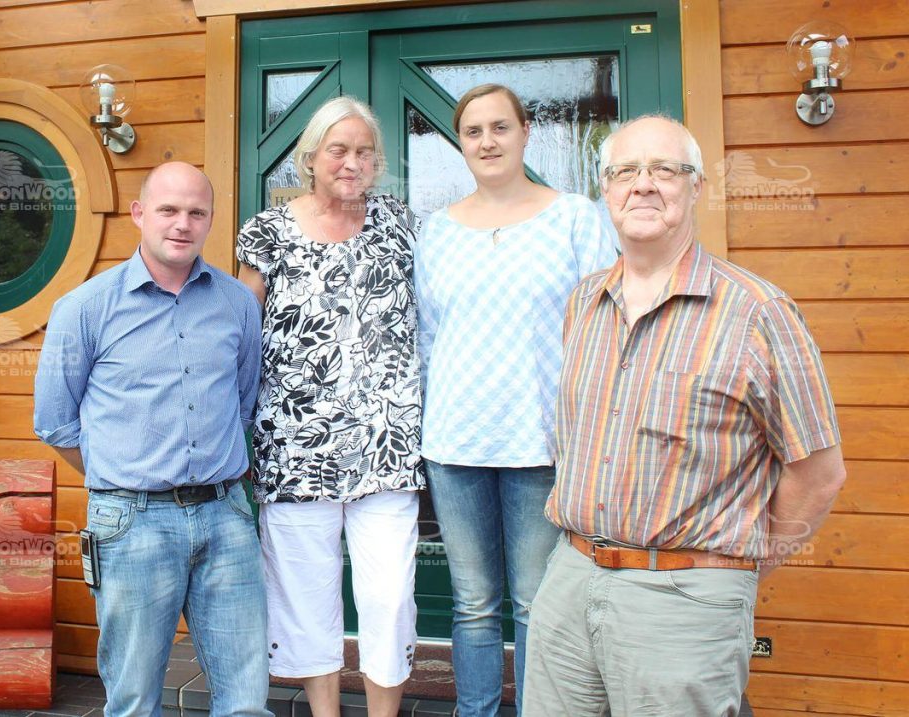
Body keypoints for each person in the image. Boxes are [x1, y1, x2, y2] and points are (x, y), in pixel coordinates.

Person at [522, 115, 847, 716]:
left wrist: (728, 572)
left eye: (665, 169)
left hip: (683, 595)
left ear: (695, 187)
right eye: (625, 171)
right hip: (568, 578)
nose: (643, 185)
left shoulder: (757, 312)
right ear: (607, 191)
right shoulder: (584, 301)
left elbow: (818, 472)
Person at [34, 162, 270, 717]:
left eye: (196, 212)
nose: (182, 224)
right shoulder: (84, 309)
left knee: (246, 698)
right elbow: (55, 422)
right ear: (140, 214)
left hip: (227, 517)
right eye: (168, 209)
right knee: (134, 698)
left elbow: (242, 401)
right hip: (132, 523)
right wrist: (121, 476)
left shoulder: (237, 303)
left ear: (210, 221)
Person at [414, 83, 618, 717]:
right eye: (474, 132)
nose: (487, 141)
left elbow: (602, 328)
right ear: (461, 144)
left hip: (541, 441)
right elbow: (425, 338)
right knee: (473, 602)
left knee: (535, 600)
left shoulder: (576, 217)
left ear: (525, 132)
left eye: (500, 127)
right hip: (455, 443)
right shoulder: (436, 232)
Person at [236, 96, 422, 717]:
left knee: (389, 593)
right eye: (337, 150)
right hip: (294, 445)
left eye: (364, 151)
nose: (351, 162)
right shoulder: (266, 231)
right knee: (305, 592)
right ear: (310, 157)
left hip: (386, 442)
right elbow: (239, 334)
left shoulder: (400, 222)